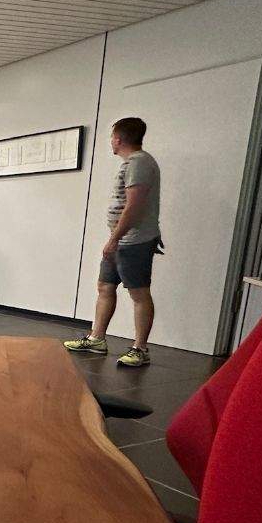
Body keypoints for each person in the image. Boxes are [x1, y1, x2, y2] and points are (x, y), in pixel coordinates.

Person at [65, 116, 162, 367]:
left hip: (133, 240)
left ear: (118, 139)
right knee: (105, 286)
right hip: (121, 240)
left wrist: (115, 239)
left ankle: (140, 349)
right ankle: (96, 339)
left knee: (139, 293)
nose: (111, 142)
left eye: (112, 137)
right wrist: (114, 239)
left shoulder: (139, 163)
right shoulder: (133, 163)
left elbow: (134, 206)